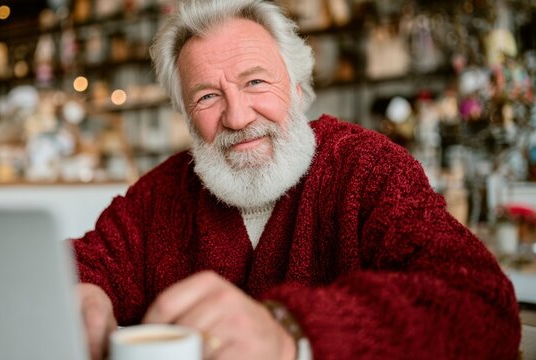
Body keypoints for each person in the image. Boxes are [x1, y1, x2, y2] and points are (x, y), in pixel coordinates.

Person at [72, 0, 521, 359]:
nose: (237, 115)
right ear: (189, 119)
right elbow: (82, 265)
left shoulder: (366, 166)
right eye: (208, 96)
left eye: (256, 83)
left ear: (299, 90)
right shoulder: (159, 195)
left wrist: (292, 336)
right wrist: (80, 295)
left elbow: (481, 303)